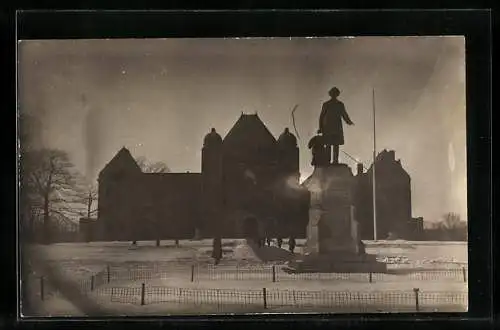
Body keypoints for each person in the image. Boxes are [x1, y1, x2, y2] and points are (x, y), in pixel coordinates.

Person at [318, 87, 354, 164]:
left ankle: (334, 161)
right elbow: (322, 116)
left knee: (334, 145)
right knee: (330, 144)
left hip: (333, 128)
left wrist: (349, 121)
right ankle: (330, 161)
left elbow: (344, 115)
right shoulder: (328, 105)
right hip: (330, 128)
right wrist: (321, 127)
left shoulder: (338, 104)